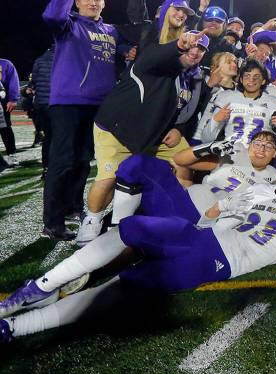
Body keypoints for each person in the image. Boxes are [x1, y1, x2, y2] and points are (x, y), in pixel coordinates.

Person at [0, 158, 276, 342]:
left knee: (113, 289)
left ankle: (18, 325)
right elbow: (212, 217)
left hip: (215, 260)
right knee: (139, 175)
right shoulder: (258, 190)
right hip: (200, 237)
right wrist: (222, 210)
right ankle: (36, 291)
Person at [76, 31, 210, 244]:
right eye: (190, 46)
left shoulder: (193, 77)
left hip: (154, 135)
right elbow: (156, 54)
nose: (195, 51)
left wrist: (179, 128)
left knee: (187, 160)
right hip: (117, 130)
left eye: (201, 49)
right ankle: (92, 220)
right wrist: (178, 45)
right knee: (108, 177)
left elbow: (184, 110)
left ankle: (177, 214)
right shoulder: (153, 62)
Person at [41, 0, 121, 241]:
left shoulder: (111, 31)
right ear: (76, 3)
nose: (92, 2)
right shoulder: (67, 25)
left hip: (99, 106)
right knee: (62, 161)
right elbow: (52, 14)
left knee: (83, 161)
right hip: (68, 102)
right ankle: (52, 222)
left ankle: (72, 208)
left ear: (104, 3)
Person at [198, 59, 276, 152]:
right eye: (247, 75)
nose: (251, 80)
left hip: (258, 155)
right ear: (241, 80)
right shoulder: (227, 97)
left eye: (256, 76)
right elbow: (206, 139)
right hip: (230, 154)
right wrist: (215, 120)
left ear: (263, 81)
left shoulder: (275, 103)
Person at [0, 57, 20, 156]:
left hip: (1, 102)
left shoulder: (5, 64)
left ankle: (11, 154)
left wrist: (13, 99)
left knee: (5, 128)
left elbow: (13, 81)